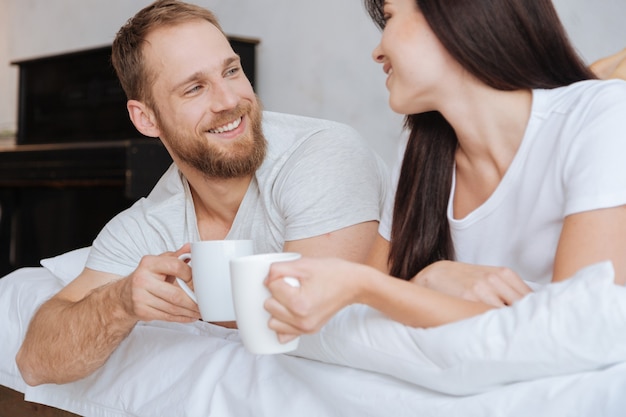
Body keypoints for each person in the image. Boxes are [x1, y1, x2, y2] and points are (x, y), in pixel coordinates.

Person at [16, 0, 388, 386]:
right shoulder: (153, 222)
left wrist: (204, 302)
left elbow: (313, 320)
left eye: (231, 71)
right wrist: (121, 301)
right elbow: (35, 362)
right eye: (194, 88)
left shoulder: (322, 153)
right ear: (147, 118)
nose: (229, 101)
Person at [264, 0, 626, 341]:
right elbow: (362, 319)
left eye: (389, 17)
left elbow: (579, 328)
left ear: (451, 14)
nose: (377, 51)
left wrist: (370, 286)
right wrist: (427, 281)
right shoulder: (419, 151)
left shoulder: (601, 116)